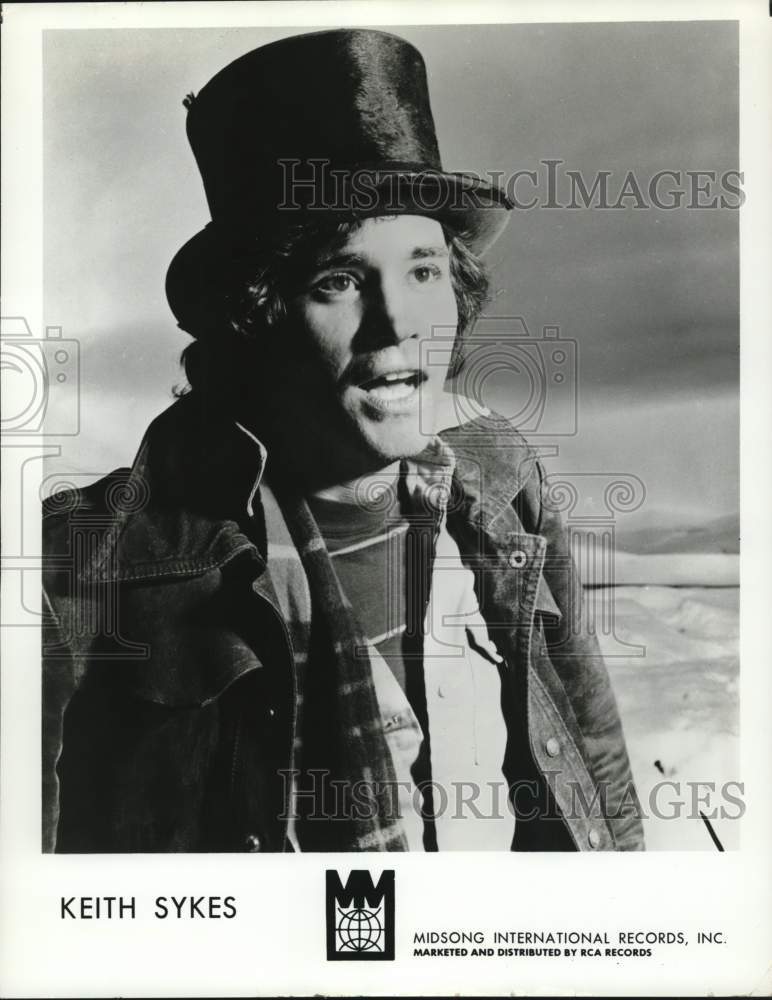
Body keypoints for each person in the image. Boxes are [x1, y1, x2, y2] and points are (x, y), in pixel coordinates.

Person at [42, 28, 644, 853]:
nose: (399, 324)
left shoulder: (505, 485)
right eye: (340, 280)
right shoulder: (89, 562)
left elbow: (595, 758)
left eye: (424, 269)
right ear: (256, 315)